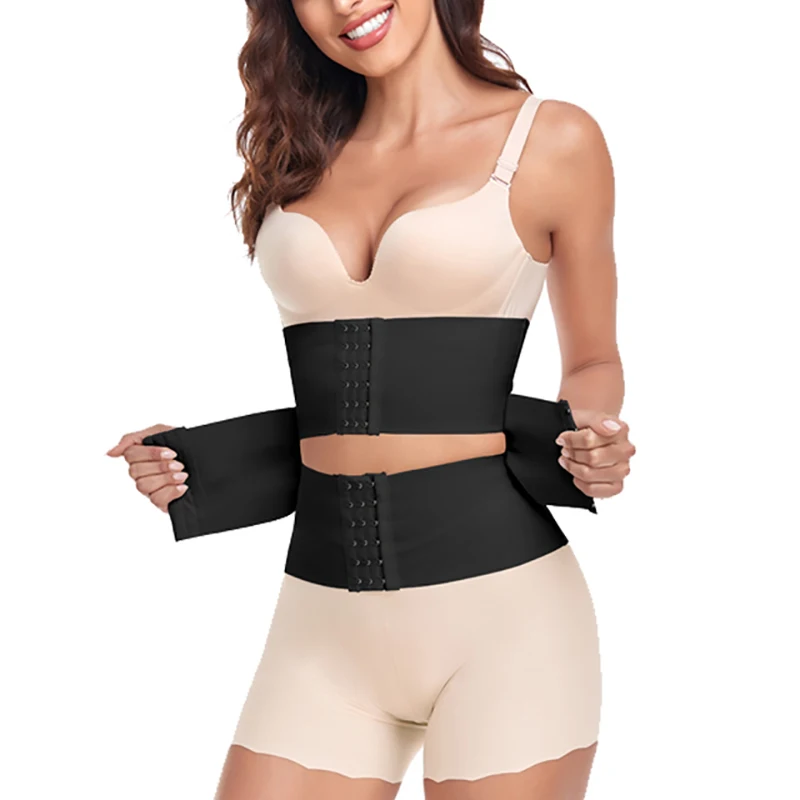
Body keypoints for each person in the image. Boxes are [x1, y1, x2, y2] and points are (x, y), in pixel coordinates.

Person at [106, 1, 636, 797]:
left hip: (505, 621)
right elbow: (340, 405)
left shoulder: (550, 139)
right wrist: (197, 466)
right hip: (321, 624)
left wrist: (593, 432)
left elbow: (593, 358)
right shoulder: (298, 150)